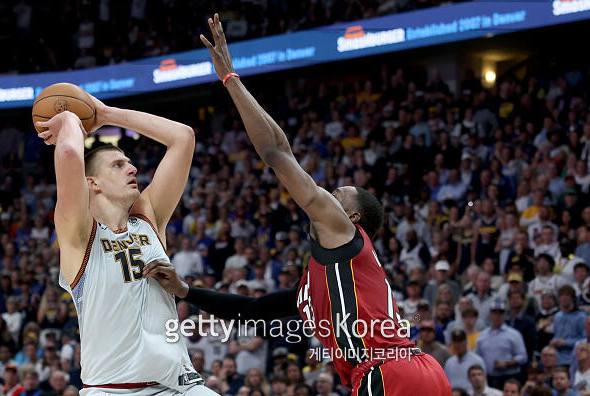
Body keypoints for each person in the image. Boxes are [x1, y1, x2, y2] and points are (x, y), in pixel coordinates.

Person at [144, 13, 451, 396]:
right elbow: (252, 312)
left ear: (352, 217)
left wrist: (230, 79)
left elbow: (275, 153)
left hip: (387, 372)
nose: (326, 194)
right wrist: (186, 290)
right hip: (414, 371)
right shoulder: (313, 288)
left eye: (337, 195)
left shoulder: (343, 234)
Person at [35, 97, 213, 394]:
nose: (132, 170)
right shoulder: (79, 235)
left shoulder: (148, 217)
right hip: (111, 389)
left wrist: (106, 113)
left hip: (177, 387)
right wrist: (69, 120)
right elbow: (67, 151)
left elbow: (183, 137)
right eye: (119, 165)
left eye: (130, 164)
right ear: (92, 183)